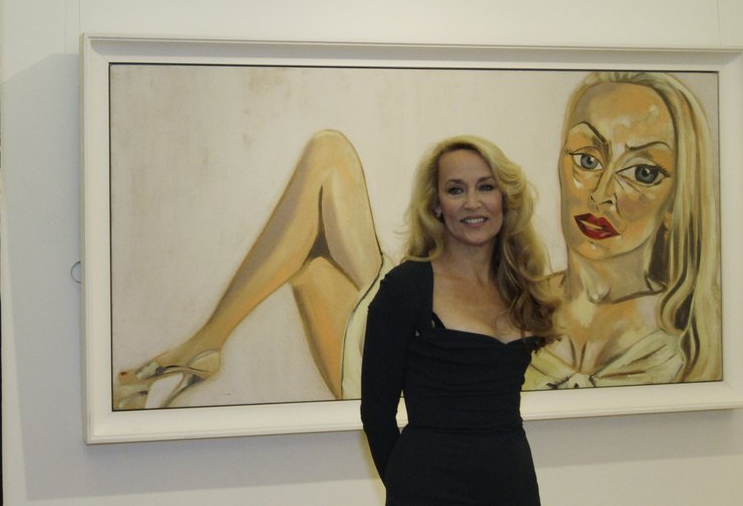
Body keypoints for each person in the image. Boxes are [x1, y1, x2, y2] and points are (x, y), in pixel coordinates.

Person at [114, 129, 386, 407]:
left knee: (329, 154)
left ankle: (204, 343)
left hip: (404, 357)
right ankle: (204, 344)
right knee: (310, 262)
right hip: (390, 358)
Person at [360, 136, 557, 505]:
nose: (472, 202)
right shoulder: (406, 288)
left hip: (513, 484)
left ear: (505, 197)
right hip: (428, 489)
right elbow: (376, 415)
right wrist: (408, 488)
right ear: (436, 204)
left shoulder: (521, 284)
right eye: (455, 190)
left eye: (486, 187)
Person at [524, 71, 721, 389]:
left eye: (643, 173)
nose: (601, 195)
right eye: (587, 160)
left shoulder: (702, 329)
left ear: (676, 200)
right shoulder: (513, 302)